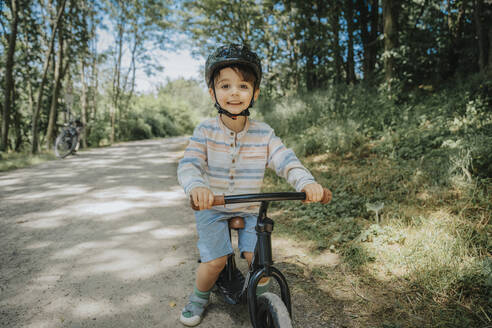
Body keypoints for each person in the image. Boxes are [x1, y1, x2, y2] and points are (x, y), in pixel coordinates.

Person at [177, 44, 327, 327]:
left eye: (243, 85)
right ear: (213, 93)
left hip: (248, 207)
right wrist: (197, 186)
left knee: (259, 260)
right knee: (216, 261)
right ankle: (199, 297)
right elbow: (189, 164)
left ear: (254, 93)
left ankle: (259, 297)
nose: (234, 92)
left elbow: (285, 160)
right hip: (212, 205)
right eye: (225, 85)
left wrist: (306, 181)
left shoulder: (264, 133)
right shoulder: (205, 131)